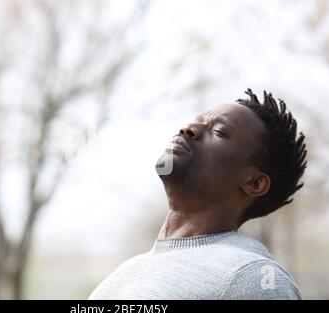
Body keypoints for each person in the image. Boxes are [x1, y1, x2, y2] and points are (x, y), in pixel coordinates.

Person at [89, 89, 307, 300]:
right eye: (197, 120)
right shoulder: (122, 275)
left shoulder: (255, 279)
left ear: (254, 182)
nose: (188, 128)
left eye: (219, 131)